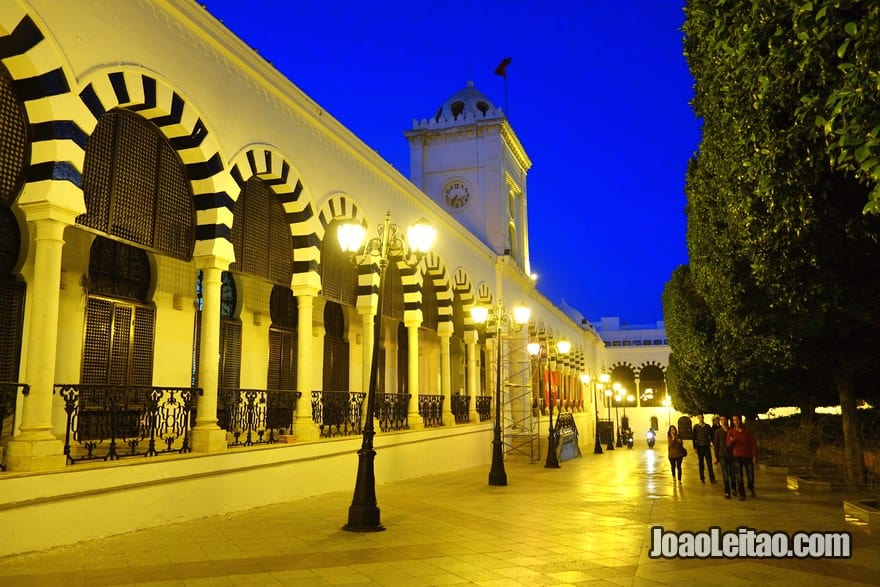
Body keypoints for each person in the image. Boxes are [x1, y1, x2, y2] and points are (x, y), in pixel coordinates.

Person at [726, 414, 758, 500]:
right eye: (734, 420)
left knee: (750, 475)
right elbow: (728, 444)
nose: (736, 422)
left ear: (740, 420)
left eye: (737, 420)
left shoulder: (747, 431)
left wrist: (754, 455)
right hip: (736, 456)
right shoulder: (731, 432)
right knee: (739, 476)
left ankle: (751, 487)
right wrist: (732, 441)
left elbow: (753, 443)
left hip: (747, 455)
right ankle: (742, 494)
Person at [713, 415, 734, 498]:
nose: (723, 421)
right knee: (725, 474)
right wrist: (716, 457)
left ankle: (733, 487)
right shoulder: (718, 432)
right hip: (722, 455)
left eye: (724, 419)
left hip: (732, 455)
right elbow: (716, 444)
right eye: (721, 420)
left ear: (727, 420)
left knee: (732, 474)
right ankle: (727, 491)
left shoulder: (731, 430)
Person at [692, 413, 716, 484]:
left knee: (709, 463)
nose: (701, 419)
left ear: (703, 418)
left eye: (702, 417)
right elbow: (694, 438)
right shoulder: (695, 427)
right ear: (698, 418)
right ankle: (702, 478)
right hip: (699, 447)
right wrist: (695, 447)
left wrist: (712, 443)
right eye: (699, 417)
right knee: (701, 463)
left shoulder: (708, 426)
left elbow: (711, 436)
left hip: (706, 447)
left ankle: (712, 479)